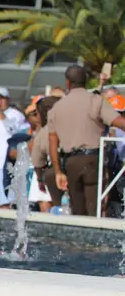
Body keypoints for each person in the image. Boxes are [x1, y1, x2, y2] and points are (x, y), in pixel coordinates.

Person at [49, 65, 125, 216]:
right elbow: (120, 123)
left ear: (68, 83)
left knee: (77, 210)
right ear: (86, 80)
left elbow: (53, 144)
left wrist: (58, 172)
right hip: (93, 160)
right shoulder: (96, 101)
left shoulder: (57, 108)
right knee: (96, 210)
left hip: (70, 163)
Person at [0, 87, 28, 208]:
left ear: (8, 99)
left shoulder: (16, 115)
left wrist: (0, 112)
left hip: (7, 166)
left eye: (1, 98)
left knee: (8, 204)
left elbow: (14, 130)